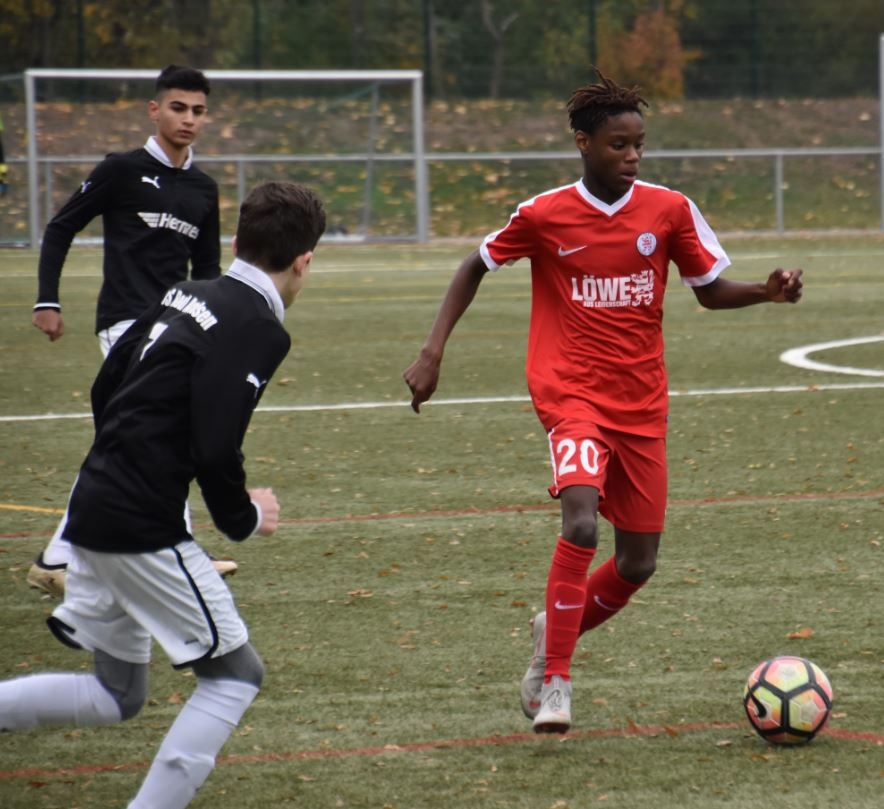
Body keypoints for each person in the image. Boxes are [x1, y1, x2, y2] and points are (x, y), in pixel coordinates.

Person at [403, 69, 804, 734]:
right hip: (571, 394)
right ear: (584, 144)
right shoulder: (544, 214)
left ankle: (552, 629)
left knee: (638, 562)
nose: (633, 156)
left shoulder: (669, 210)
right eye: (619, 145)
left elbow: (708, 289)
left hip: (640, 401)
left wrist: (766, 290)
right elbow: (475, 264)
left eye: (639, 144)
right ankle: (556, 681)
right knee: (582, 523)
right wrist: (433, 350)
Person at [1, 180, 327, 809]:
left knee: (117, 695)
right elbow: (215, 443)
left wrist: (120, 457)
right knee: (236, 675)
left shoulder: (187, 291)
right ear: (304, 261)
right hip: (139, 524)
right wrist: (243, 517)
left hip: (92, 504)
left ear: (237, 240)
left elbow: (107, 385)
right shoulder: (260, 326)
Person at [29, 64, 234, 595]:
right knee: (150, 432)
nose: (189, 119)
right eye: (178, 108)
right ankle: (75, 555)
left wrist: (213, 332)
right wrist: (47, 299)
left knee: (145, 436)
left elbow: (206, 271)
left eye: (198, 111)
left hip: (176, 328)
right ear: (154, 109)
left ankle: (66, 556)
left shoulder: (203, 189)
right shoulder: (121, 170)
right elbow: (61, 226)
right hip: (124, 323)